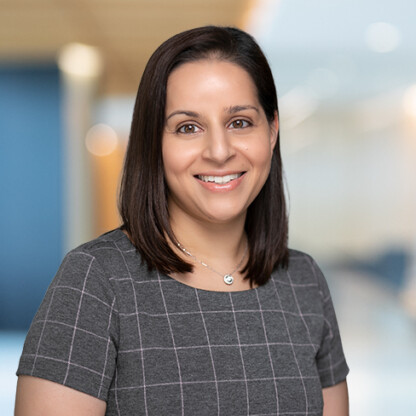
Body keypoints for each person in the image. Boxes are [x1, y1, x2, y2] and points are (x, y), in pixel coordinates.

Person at [15, 26, 349, 415]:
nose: (219, 151)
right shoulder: (96, 280)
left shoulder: (304, 281)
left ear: (272, 131)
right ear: (154, 143)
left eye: (239, 122)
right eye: (188, 127)